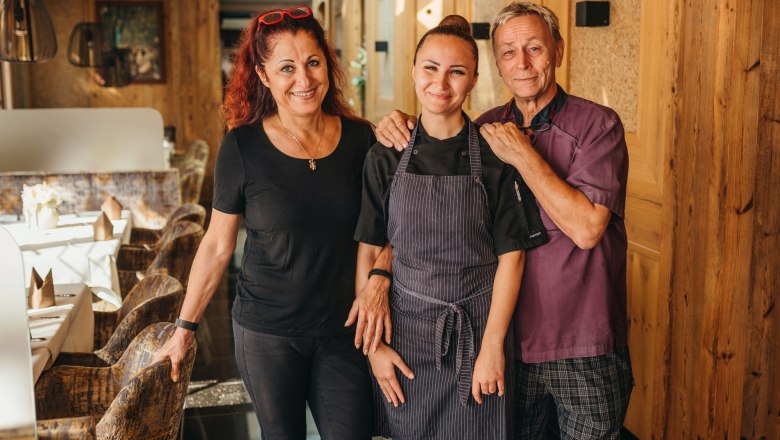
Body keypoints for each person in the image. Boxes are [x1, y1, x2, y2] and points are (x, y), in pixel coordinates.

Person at [373, 3, 633, 439]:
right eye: (509, 52)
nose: (522, 62)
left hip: (582, 345)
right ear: (494, 65)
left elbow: (588, 229)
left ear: (559, 51)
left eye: (535, 48)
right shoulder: (485, 129)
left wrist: (524, 155)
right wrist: (396, 127)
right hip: (503, 344)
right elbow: (423, 217)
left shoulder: (597, 125)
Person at [154, 6, 387, 439]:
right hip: (267, 333)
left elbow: (389, 225)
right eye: (287, 68)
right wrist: (185, 328)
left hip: (343, 330)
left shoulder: (362, 139)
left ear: (327, 64)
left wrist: (379, 277)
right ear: (263, 76)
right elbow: (217, 245)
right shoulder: (242, 147)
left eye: (313, 62)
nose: (304, 79)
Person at [355, 15, 548, 439]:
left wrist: (493, 347)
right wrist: (375, 350)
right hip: (403, 340)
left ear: (474, 80)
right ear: (413, 70)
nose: (441, 83)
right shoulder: (385, 156)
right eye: (430, 68)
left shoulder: (495, 155)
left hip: (477, 336)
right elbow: (369, 252)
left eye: (456, 71)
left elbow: (511, 261)